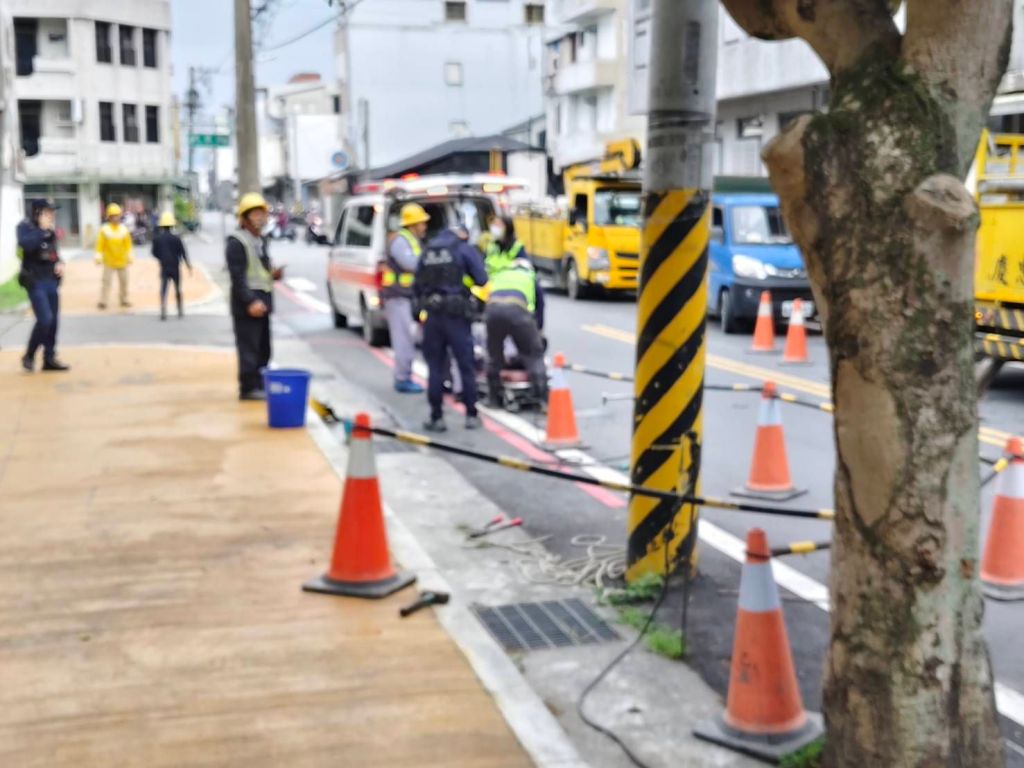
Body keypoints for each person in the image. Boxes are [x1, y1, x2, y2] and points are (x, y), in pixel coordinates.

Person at [414, 224, 488, 432]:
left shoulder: (428, 251)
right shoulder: (463, 249)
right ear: (462, 234)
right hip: (457, 316)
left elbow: (417, 286)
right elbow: (482, 279)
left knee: (435, 368)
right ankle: (471, 415)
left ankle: (436, 417)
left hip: (433, 315)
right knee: (465, 366)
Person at [226, 193, 284, 401]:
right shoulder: (237, 242)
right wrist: (250, 301)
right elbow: (238, 277)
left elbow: (260, 270)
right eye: (255, 214)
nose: (260, 218)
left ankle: (260, 383)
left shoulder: (260, 240)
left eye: (262, 213)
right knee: (249, 347)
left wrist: (273, 274)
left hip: (263, 300)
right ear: (244, 218)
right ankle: (248, 387)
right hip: (248, 304)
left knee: (263, 347)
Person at [485, 253, 547, 409]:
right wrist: (538, 331)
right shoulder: (530, 277)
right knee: (534, 354)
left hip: (492, 311)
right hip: (517, 311)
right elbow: (540, 307)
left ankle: (494, 399)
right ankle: (541, 399)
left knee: (494, 356)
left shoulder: (501, 274)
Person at [17, 199, 70, 372]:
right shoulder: (25, 227)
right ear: (37, 213)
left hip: (51, 281)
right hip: (35, 281)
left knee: (53, 321)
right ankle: (29, 355)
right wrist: (41, 229)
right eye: (48, 212)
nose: (52, 215)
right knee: (45, 319)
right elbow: (26, 245)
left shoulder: (50, 230)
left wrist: (59, 262)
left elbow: (53, 252)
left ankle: (49, 358)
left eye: (53, 212)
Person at [384, 204, 430, 394]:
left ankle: (406, 375)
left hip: (409, 297)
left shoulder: (413, 241)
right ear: (412, 225)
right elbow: (410, 264)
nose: (425, 226)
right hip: (397, 297)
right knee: (403, 340)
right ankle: (402, 378)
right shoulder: (401, 241)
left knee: (413, 338)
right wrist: (431, 261)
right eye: (422, 223)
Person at [151, 211, 192, 320]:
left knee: (163, 288)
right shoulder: (177, 239)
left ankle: (163, 309)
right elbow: (183, 253)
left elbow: (154, 253)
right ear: (172, 225)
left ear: (162, 225)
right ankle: (179, 309)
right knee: (177, 288)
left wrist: (161, 257)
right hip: (175, 267)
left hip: (164, 266)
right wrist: (188, 265)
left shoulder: (157, 239)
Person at [95, 202, 134, 309]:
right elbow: (100, 244)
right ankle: (103, 301)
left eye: (117, 215)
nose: (115, 218)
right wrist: (98, 255)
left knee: (124, 282)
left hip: (122, 261)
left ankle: (124, 300)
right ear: (109, 217)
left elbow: (128, 245)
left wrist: (130, 255)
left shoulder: (123, 230)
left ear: (120, 216)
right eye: (113, 216)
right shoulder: (104, 230)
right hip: (109, 261)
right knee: (106, 282)